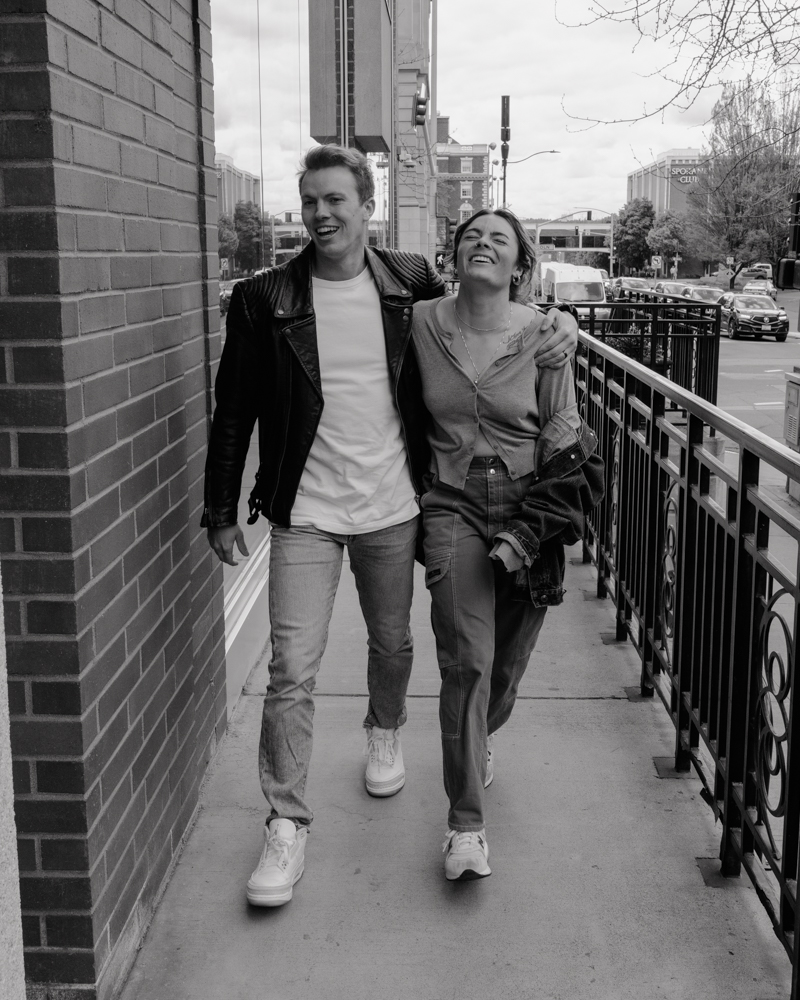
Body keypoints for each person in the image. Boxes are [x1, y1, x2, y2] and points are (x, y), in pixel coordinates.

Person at [201, 146, 579, 907]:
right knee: (291, 669)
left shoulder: (410, 283)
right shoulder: (263, 297)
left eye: (337, 199)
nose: (321, 213)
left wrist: (561, 321)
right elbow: (234, 408)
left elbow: (487, 309)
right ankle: (287, 823)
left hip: (392, 504)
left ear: (366, 206)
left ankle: (384, 727)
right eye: (310, 200)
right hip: (305, 508)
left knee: (394, 643)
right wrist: (219, 505)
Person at [411, 208, 604, 881]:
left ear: (519, 264)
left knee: (505, 671)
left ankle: (479, 738)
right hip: (452, 504)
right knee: (465, 659)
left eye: (499, 238)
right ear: (454, 254)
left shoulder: (546, 337)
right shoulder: (421, 321)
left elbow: (566, 438)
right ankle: (465, 826)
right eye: (470, 236)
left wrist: (534, 530)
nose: (482, 244)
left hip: (529, 508)